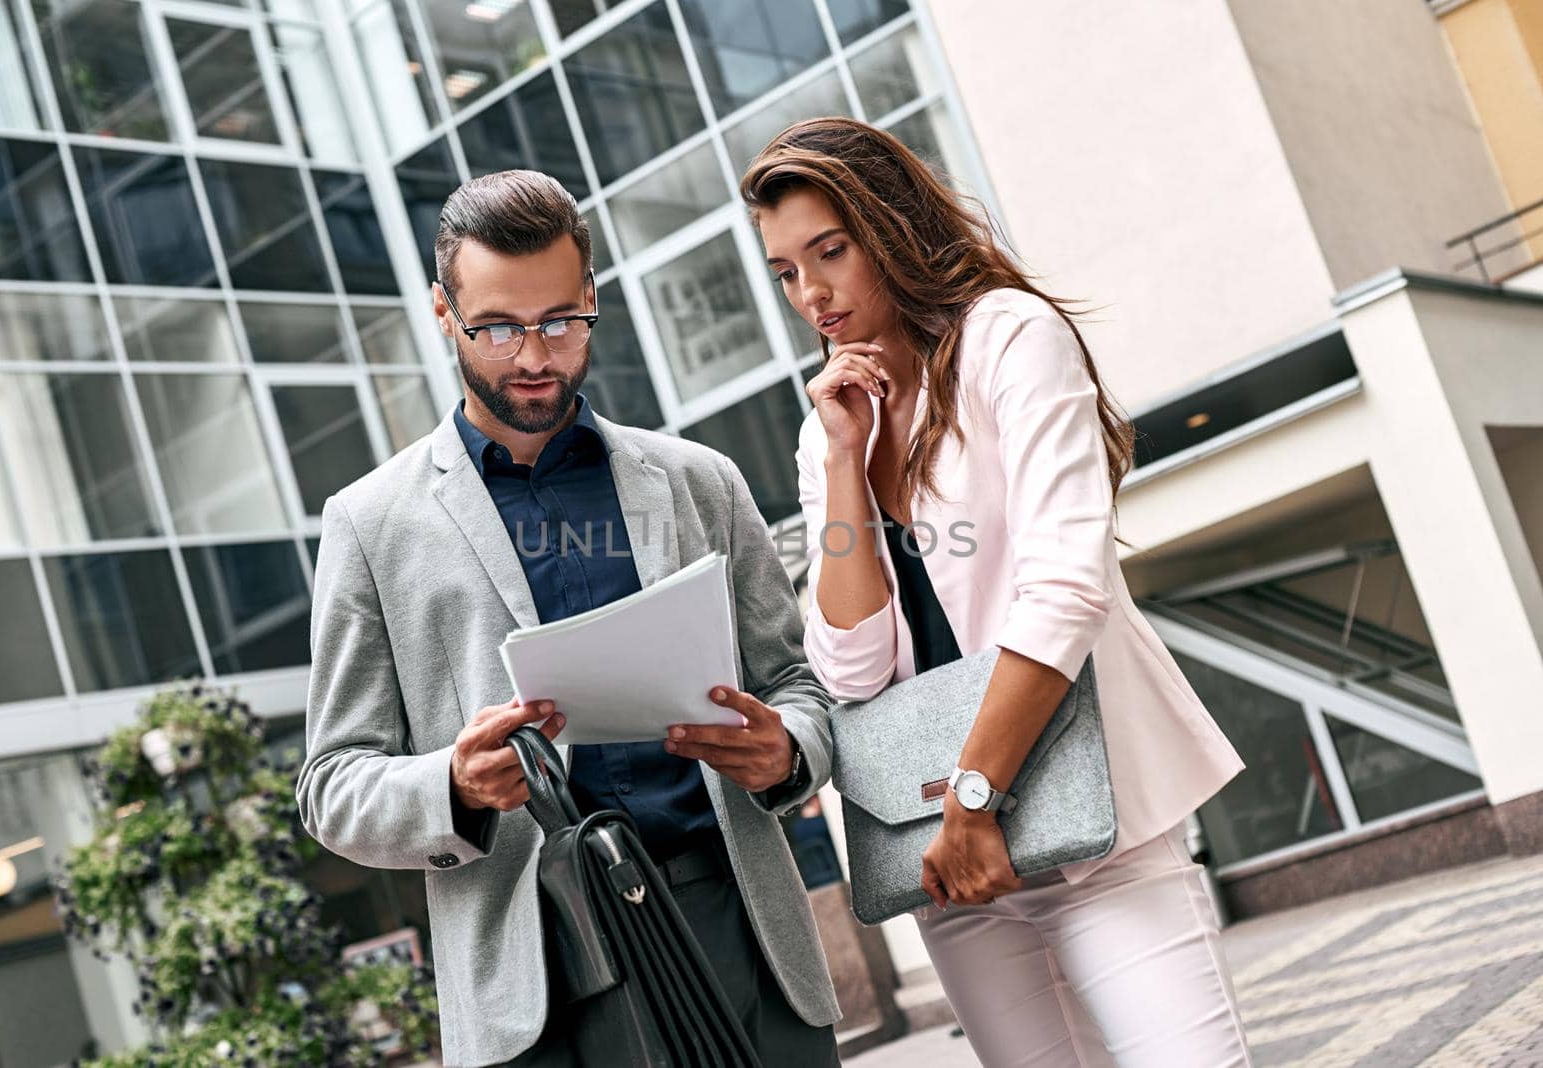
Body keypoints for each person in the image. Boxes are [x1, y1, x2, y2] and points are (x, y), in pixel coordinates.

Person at [297, 169, 841, 1067]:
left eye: (560, 321)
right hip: (535, 972)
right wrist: (454, 786)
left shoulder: (701, 480)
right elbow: (331, 786)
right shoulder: (370, 524)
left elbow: (797, 683)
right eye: (499, 328)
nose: (534, 356)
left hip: (737, 930)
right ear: (444, 313)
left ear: (591, 297)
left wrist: (788, 750)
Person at [741, 118, 1251, 1068]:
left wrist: (974, 804)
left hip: (1087, 824)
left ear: (889, 226)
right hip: (945, 864)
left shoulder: (1008, 338)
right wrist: (848, 462)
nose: (811, 294)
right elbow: (851, 665)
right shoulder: (828, 430)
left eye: (830, 252)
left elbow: (1065, 591)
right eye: (784, 272)